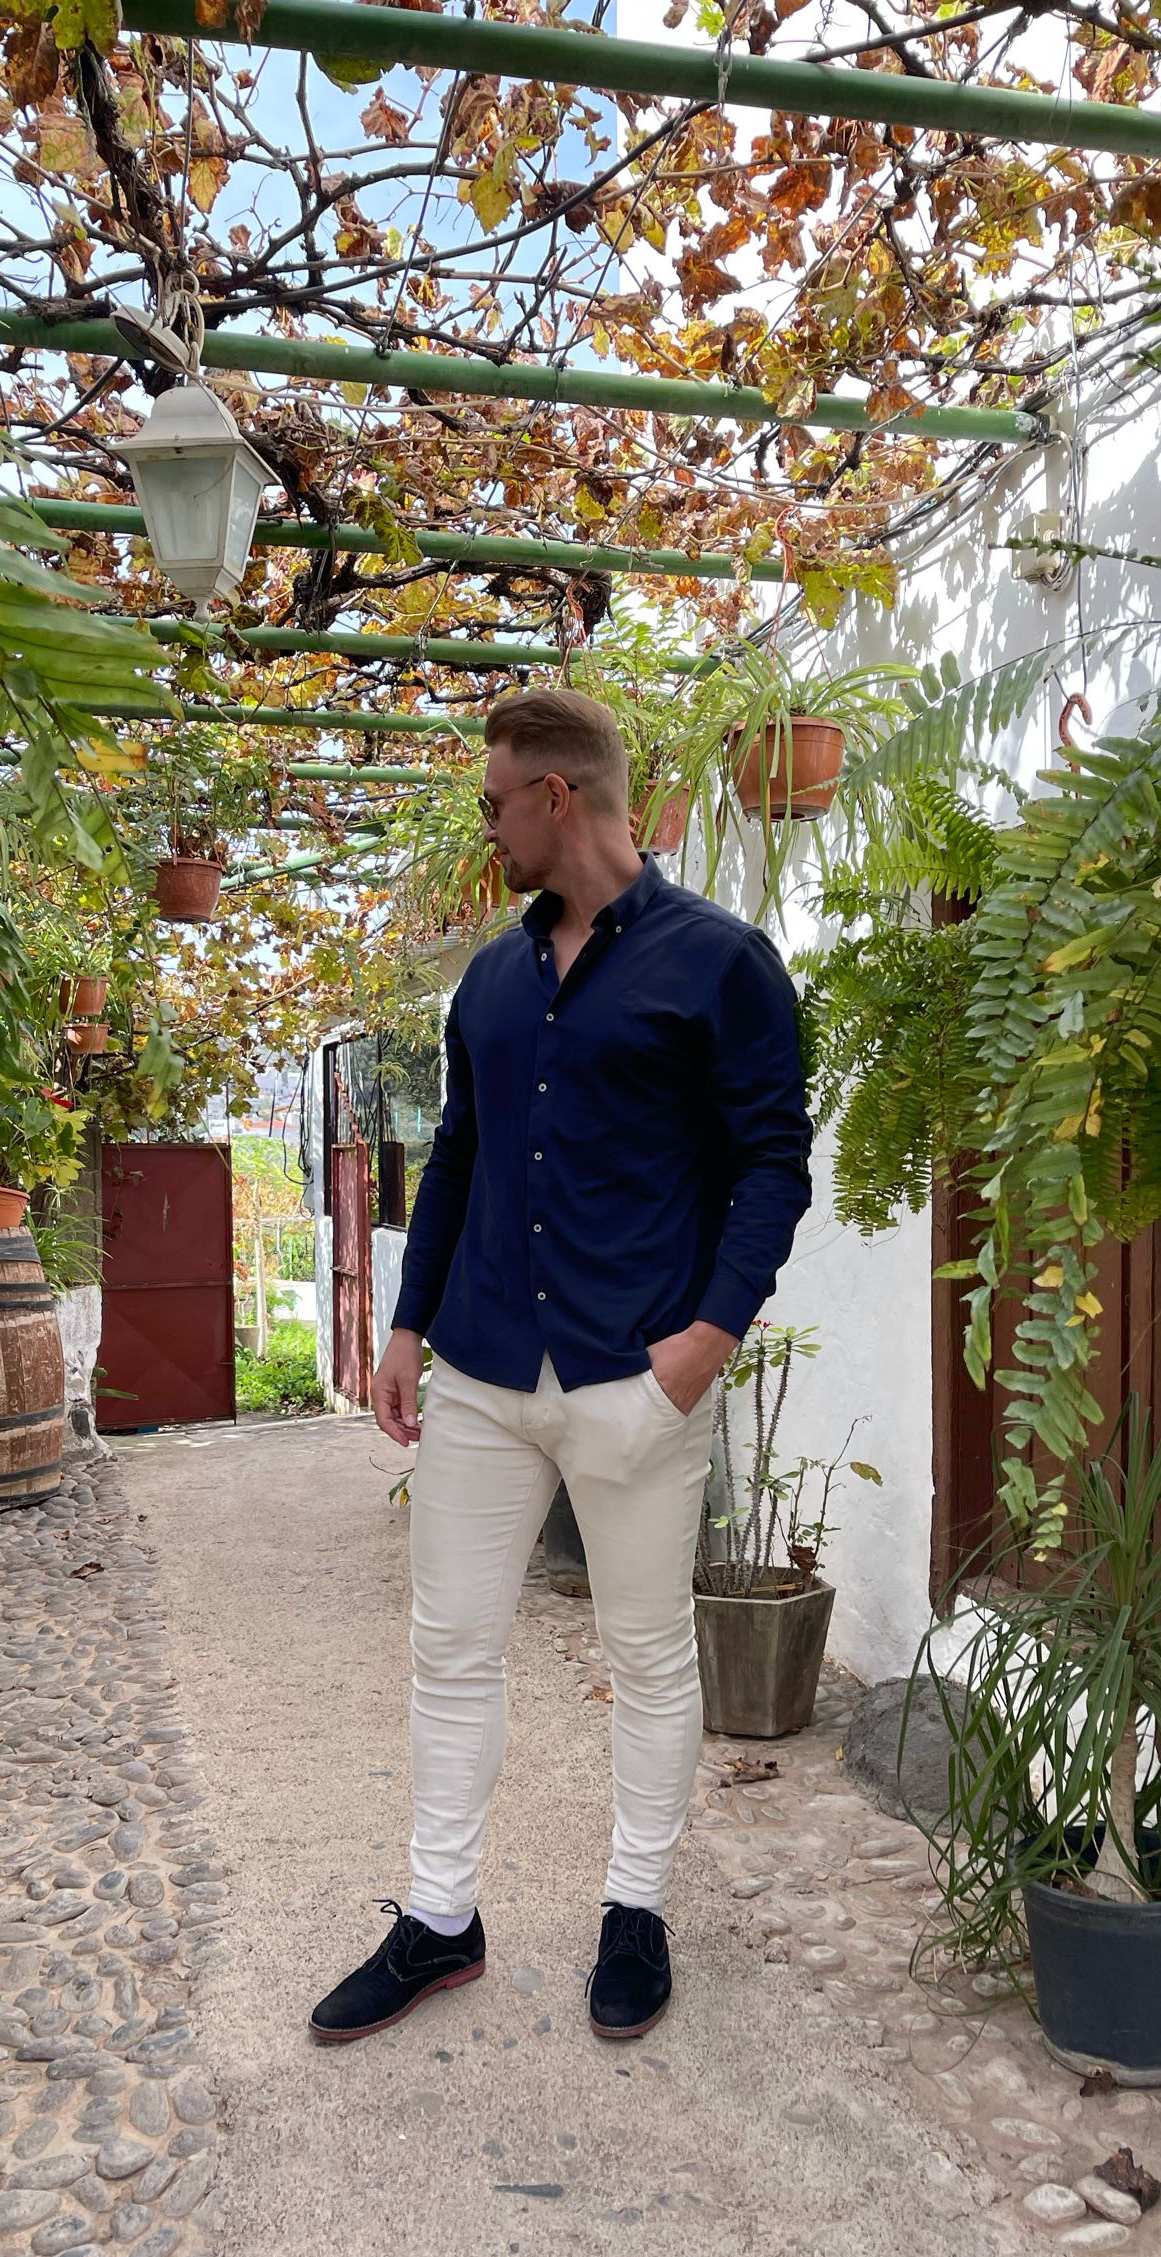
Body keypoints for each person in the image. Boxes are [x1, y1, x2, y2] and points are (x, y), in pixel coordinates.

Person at [310, 687, 812, 2045]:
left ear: (556, 796)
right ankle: (439, 1920)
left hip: (634, 1375)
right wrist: (407, 1327)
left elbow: (773, 1165)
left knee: (646, 1654)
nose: (487, 829)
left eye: (494, 804)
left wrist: (702, 1348)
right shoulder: (489, 980)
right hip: (482, 1368)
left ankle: (635, 1910)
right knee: (450, 1649)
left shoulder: (722, 965)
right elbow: (460, 1158)